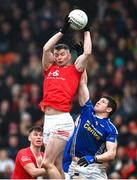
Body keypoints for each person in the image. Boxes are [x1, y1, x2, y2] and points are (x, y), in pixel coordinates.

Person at [39, 15, 92, 179]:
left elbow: (88, 52)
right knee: (55, 165)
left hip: (62, 119)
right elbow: (46, 48)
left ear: (69, 56)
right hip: (48, 120)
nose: (58, 57)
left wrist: (87, 30)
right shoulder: (49, 68)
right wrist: (62, 31)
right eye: (56, 54)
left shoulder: (75, 70)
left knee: (46, 163)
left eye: (62, 54)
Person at [65, 71, 118, 179]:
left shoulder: (111, 129)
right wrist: (84, 62)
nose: (98, 102)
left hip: (94, 168)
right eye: (99, 100)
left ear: (109, 109)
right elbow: (83, 83)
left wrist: (94, 158)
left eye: (103, 102)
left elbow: (112, 153)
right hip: (76, 165)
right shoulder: (87, 111)